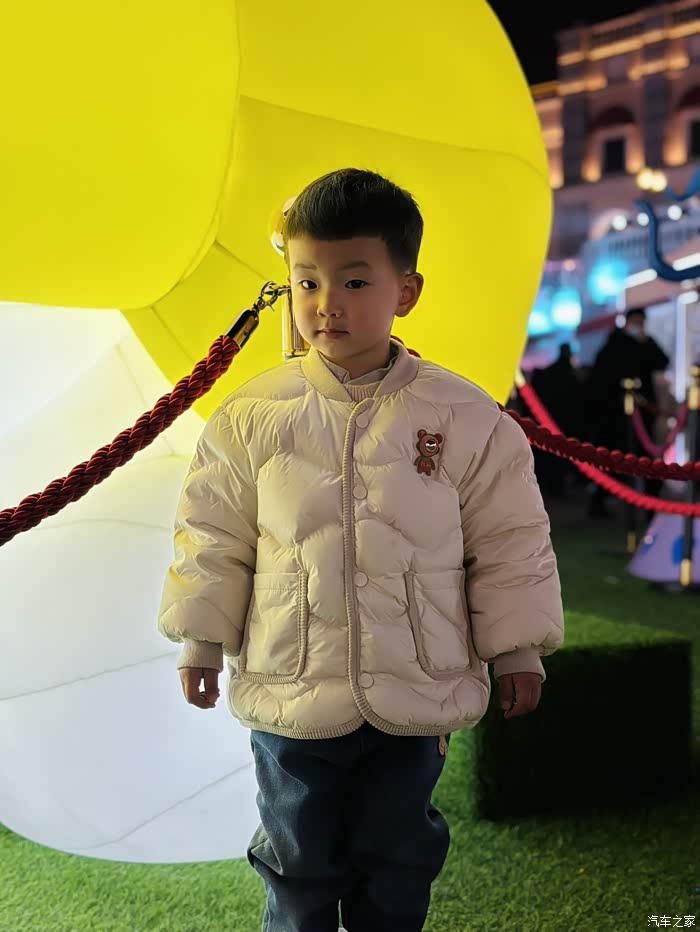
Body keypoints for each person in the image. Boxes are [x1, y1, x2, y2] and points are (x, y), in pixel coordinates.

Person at [157, 168, 565, 932]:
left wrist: (516, 649)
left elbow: (508, 537)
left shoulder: (463, 414)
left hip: (415, 686)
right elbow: (213, 533)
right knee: (296, 860)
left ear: (405, 290)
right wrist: (201, 638)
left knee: (399, 858)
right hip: (291, 687)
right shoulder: (251, 416)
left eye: (353, 280)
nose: (326, 303)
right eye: (306, 281)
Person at [586, 307, 670, 518]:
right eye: (636, 321)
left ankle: (651, 505)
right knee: (613, 460)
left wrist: (646, 342)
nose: (639, 326)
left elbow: (662, 361)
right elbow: (602, 376)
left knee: (645, 459)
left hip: (642, 413)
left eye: (642, 322)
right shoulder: (614, 344)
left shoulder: (646, 343)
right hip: (615, 415)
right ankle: (600, 502)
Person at [531, 343, 585, 498]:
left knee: (551, 456)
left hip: (550, 420)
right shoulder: (569, 374)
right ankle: (556, 488)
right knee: (559, 457)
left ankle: (551, 487)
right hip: (563, 421)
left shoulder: (551, 372)